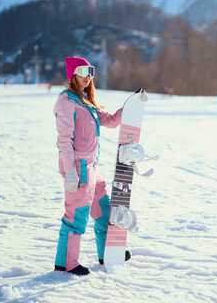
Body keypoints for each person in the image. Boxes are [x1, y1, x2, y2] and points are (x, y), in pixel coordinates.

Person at [53, 56, 129, 276]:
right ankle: (67, 263)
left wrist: (128, 109)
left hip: (92, 168)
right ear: (72, 75)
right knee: (76, 215)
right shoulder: (66, 102)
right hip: (78, 169)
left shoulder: (85, 101)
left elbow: (111, 121)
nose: (88, 78)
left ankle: (108, 252)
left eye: (90, 72)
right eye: (83, 73)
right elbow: (64, 141)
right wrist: (69, 173)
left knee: (103, 209)